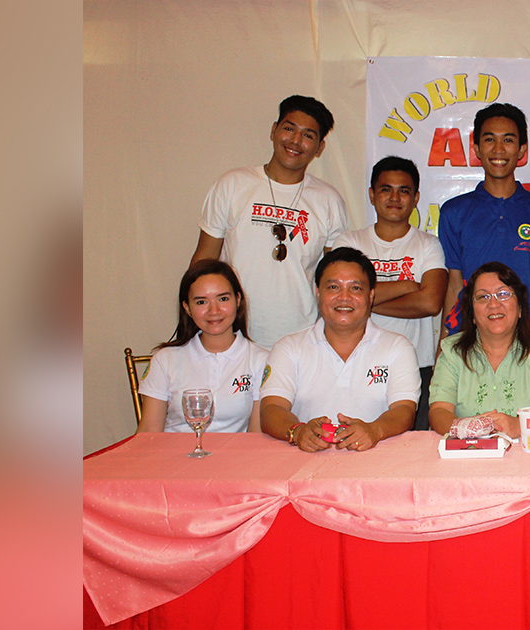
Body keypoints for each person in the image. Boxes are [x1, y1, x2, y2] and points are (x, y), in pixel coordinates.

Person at [191, 95, 349, 349]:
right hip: (234, 334)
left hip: (302, 339)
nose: (296, 141)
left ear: (319, 148)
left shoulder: (329, 200)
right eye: (289, 129)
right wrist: (194, 325)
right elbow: (203, 261)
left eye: (308, 135)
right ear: (274, 131)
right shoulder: (232, 184)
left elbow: (335, 275)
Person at [260, 248, 420, 452]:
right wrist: (298, 432)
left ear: (371, 295)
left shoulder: (398, 347)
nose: (344, 297)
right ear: (318, 292)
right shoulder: (288, 347)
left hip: (378, 465)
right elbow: (271, 409)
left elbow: (404, 409)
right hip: (303, 466)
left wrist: (374, 430)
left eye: (355, 288)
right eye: (333, 287)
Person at [333, 156, 445, 431]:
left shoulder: (428, 244)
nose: (395, 197)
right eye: (386, 189)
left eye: (404, 190)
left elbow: (430, 302)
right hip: (354, 362)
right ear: (372, 195)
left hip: (416, 364)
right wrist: (407, 286)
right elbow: (336, 297)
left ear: (416, 197)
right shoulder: (349, 241)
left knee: (411, 454)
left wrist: (360, 301)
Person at [438, 102, 530, 339]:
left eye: (508, 140)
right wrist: (442, 353)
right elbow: (454, 285)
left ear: (522, 149)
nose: (499, 149)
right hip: (469, 339)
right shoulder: (454, 212)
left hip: (524, 340)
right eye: (490, 139)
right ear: (476, 148)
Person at [429, 262, 530, 437]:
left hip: (527, 455)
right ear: (472, 314)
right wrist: (469, 429)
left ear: (520, 308)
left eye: (503, 294)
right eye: (483, 297)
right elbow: (438, 411)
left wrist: (519, 426)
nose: (494, 304)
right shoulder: (452, 352)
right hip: (467, 454)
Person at [137, 260, 268, 434]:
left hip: (234, 459)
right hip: (173, 458)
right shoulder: (165, 359)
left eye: (223, 299)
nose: (214, 311)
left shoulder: (261, 360)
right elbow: (148, 432)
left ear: (237, 300)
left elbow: (256, 436)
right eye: (201, 302)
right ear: (187, 308)